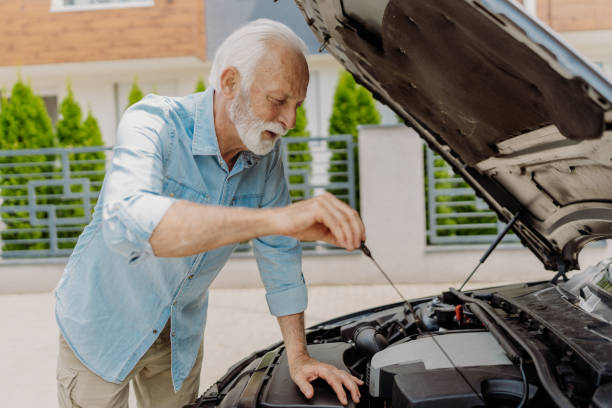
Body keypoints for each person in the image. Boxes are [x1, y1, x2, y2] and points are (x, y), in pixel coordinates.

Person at [55, 19, 365, 407]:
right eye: (279, 100)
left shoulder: (264, 156)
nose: (290, 122)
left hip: (177, 340)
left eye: (298, 105)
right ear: (231, 82)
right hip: (102, 328)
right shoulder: (152, 123)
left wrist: (298, 356)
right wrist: (275, 220)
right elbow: (128, 224)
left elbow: (280, 253)